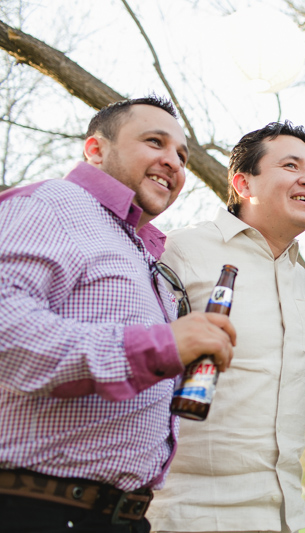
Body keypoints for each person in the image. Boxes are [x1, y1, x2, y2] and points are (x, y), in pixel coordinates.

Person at [0, 96, 236, 533]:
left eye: (182, 156)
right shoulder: (54, 203)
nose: (173, 162)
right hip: (34, 509)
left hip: (120, 516)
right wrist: (162, 346)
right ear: (95, 150)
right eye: (154, 142)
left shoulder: (143, 253)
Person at [146, 122, 305, 533]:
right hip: (191, 514)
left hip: (287, 517)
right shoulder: (179, 250)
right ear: (243, 183)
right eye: (291, 165)